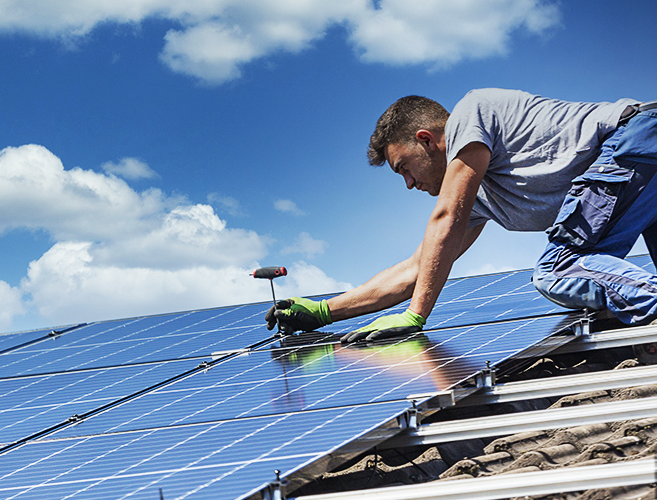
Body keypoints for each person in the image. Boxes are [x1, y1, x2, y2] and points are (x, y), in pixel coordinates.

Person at [267, 88, 657, 342]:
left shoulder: (472, 113)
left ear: (426, 140)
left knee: (559, 271)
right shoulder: (483, 198)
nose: (408, 184)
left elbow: (445, 219)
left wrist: (415, 316)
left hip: (638, 140)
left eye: (404, 167)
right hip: (643, 174)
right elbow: (418, 268)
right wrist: (323, 311)